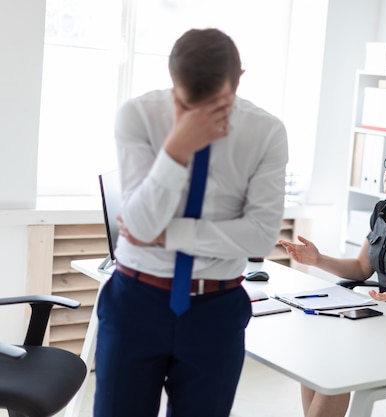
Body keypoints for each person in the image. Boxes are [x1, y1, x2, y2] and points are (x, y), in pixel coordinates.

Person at [94, 28, 288, 417]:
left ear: (240, 80)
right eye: (188, 105)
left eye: (217, 104)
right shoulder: (138, 115)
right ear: (171, 80)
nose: (202, 116)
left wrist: (169, 234)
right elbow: (139, 224)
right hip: (136, 302)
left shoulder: (266, 131)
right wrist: (176, 149)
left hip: (215, 310)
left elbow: (260, 238)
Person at [279, 139, 386, 417]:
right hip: (383, 319)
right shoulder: (382, 211)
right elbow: (362, 269)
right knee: (314, 357)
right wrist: (318, 259)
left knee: (336, 368)